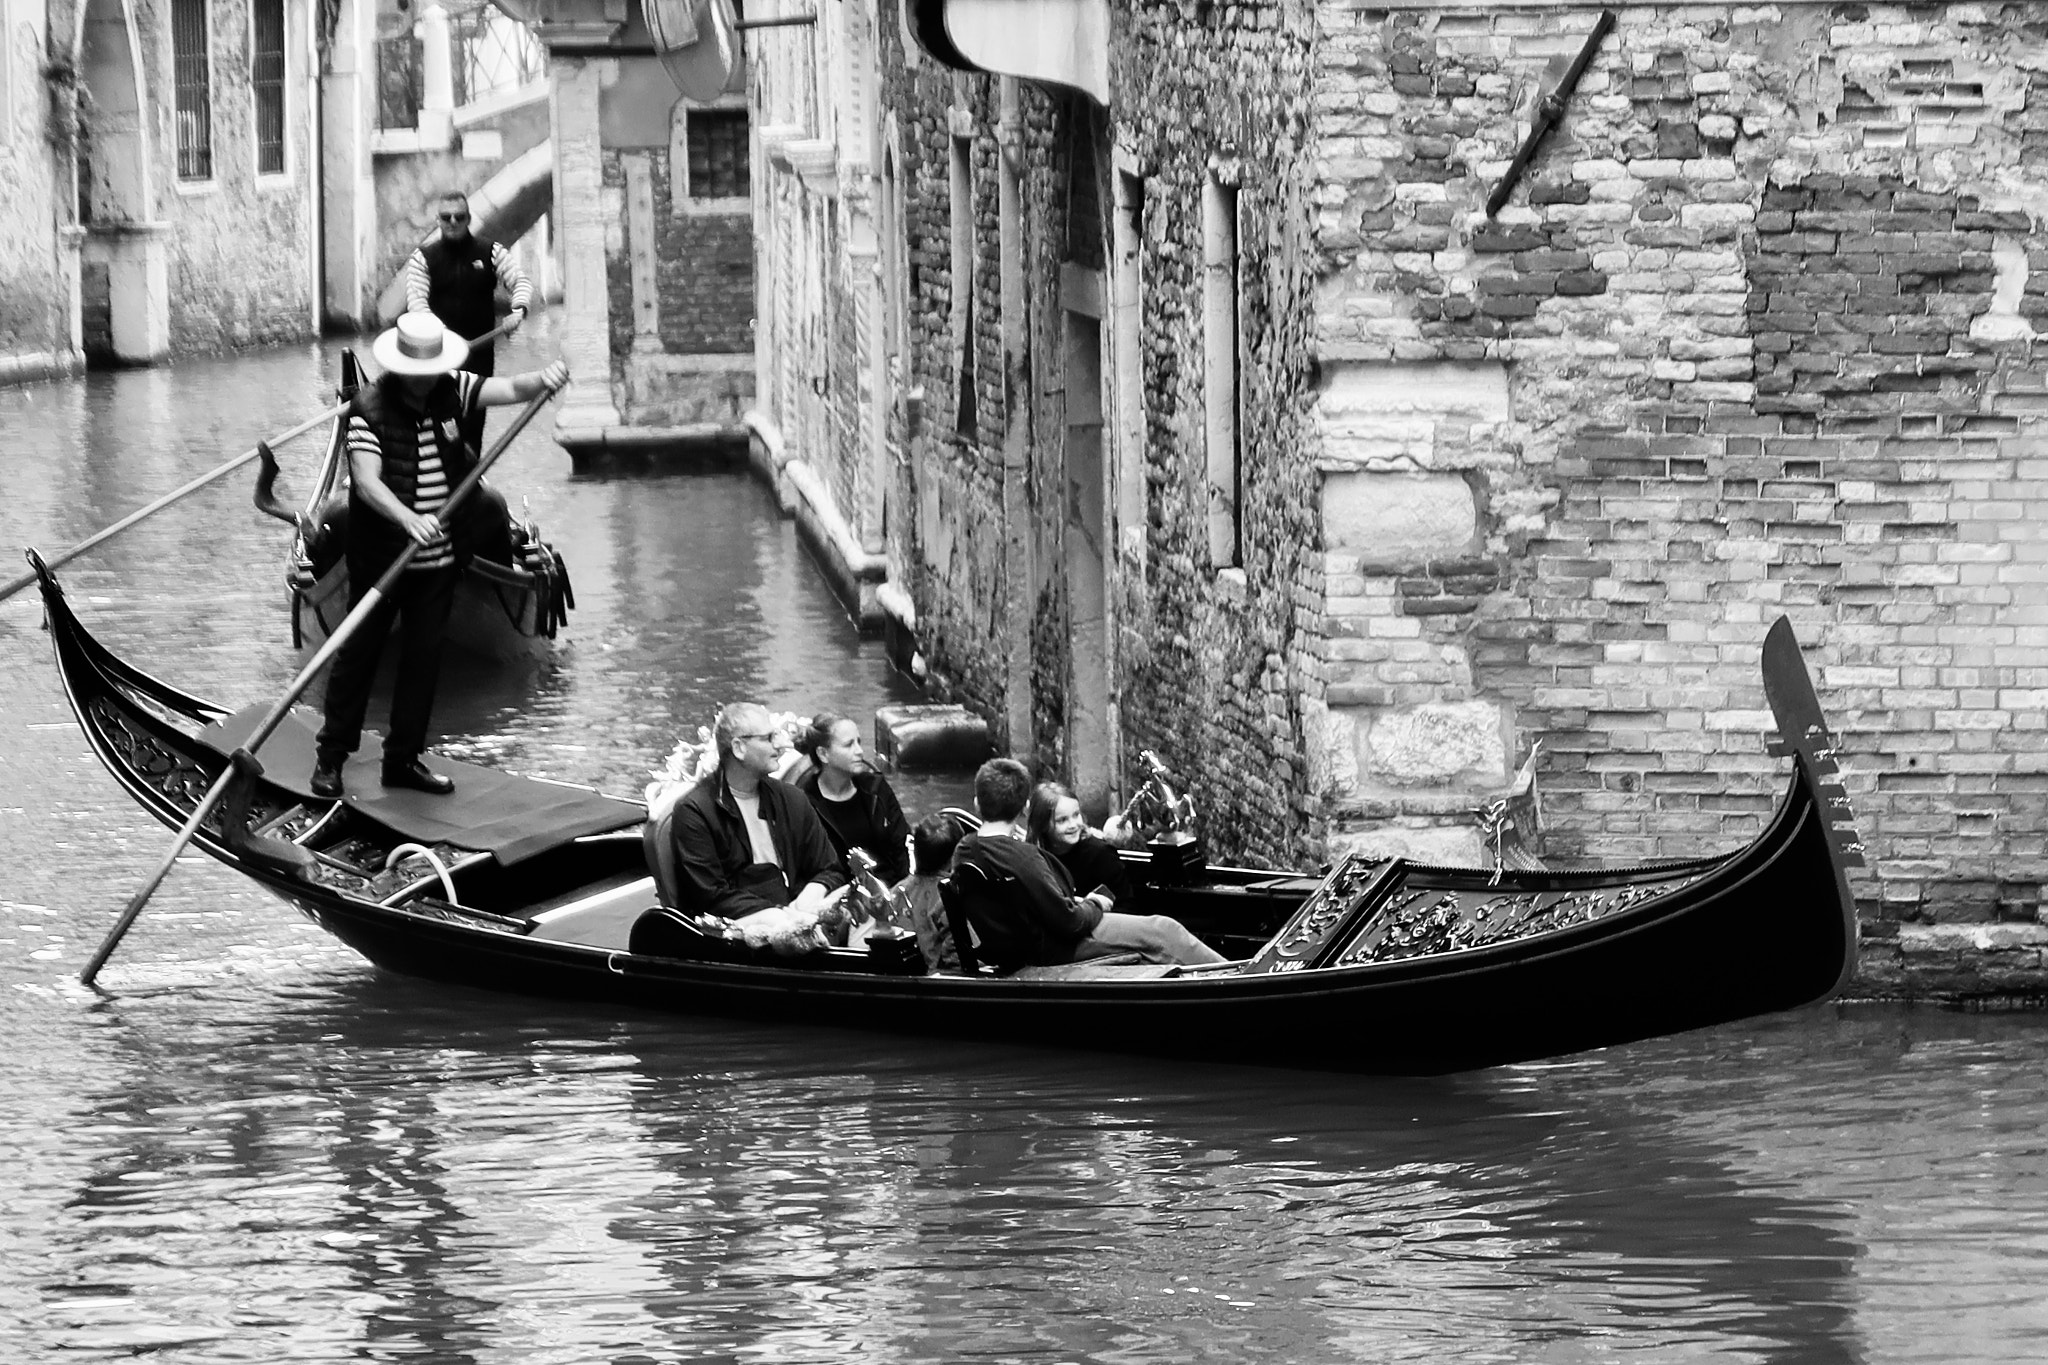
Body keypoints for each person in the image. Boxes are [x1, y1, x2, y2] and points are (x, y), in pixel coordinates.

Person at [309, 313, 569, 798]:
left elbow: (510, 388)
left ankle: (403, 760)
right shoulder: (368, 408)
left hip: (438, 562)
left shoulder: (453, 389)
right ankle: (330, 760)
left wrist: (544, 380)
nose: (430, 380)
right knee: (357, 658)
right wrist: (408, 520)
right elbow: (365, 482)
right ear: (403, 369)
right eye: (422, 373)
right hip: (382, 559)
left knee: (423, 661)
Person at [952, 758, 1225, 971]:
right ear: (1025, 807)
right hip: (1057, 947)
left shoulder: (964, 850)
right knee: (1165, 929)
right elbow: (1071, 922)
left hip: (1022, 944)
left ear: (977, 803)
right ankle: (1234, 975)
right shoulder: (1025, 858)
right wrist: (1094, 903)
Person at [668, 701, 849, 920]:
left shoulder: (792, 799)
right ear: (738, 748)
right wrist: (781, 915)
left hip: (805, 918)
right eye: (769, 738)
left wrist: (815, 889)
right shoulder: (695, 812)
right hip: (739, 935)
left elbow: (830, 868)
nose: (781, 745)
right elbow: (711, 897)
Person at [404, 190, 535, 454]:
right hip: (438, 359)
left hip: (479, 357)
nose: (452, 222)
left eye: (459, 217)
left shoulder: (491, 252)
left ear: (468, 219)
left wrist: (518, 310)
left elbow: (520, 282)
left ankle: (469, 478)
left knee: (473, 429)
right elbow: (417, 305)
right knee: (442, 425)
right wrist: (447, 339)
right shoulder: (423, 258)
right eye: (446, 217)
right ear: (438, 221)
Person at [790, 712, 913, 886]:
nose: (859, 751)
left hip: (891, 889)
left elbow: (903, 845)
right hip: (839, 896)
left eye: (859, 742)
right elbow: (804, 868)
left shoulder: (876, 788)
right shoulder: (803, 803)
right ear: (823, 754)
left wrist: (906, 887)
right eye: (849, 745)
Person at [1027, 780, 1134, 913]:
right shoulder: (1034, 857)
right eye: (1062, 820)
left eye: (1076, 815)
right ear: (1042, 825)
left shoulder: (1100, 854)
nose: (1073, 825)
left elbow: (1126, 906)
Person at [894, 812, 965, 973]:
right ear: (953, 858)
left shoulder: (896, 892)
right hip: (937, 982)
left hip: (900, 977)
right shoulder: (952, 896)